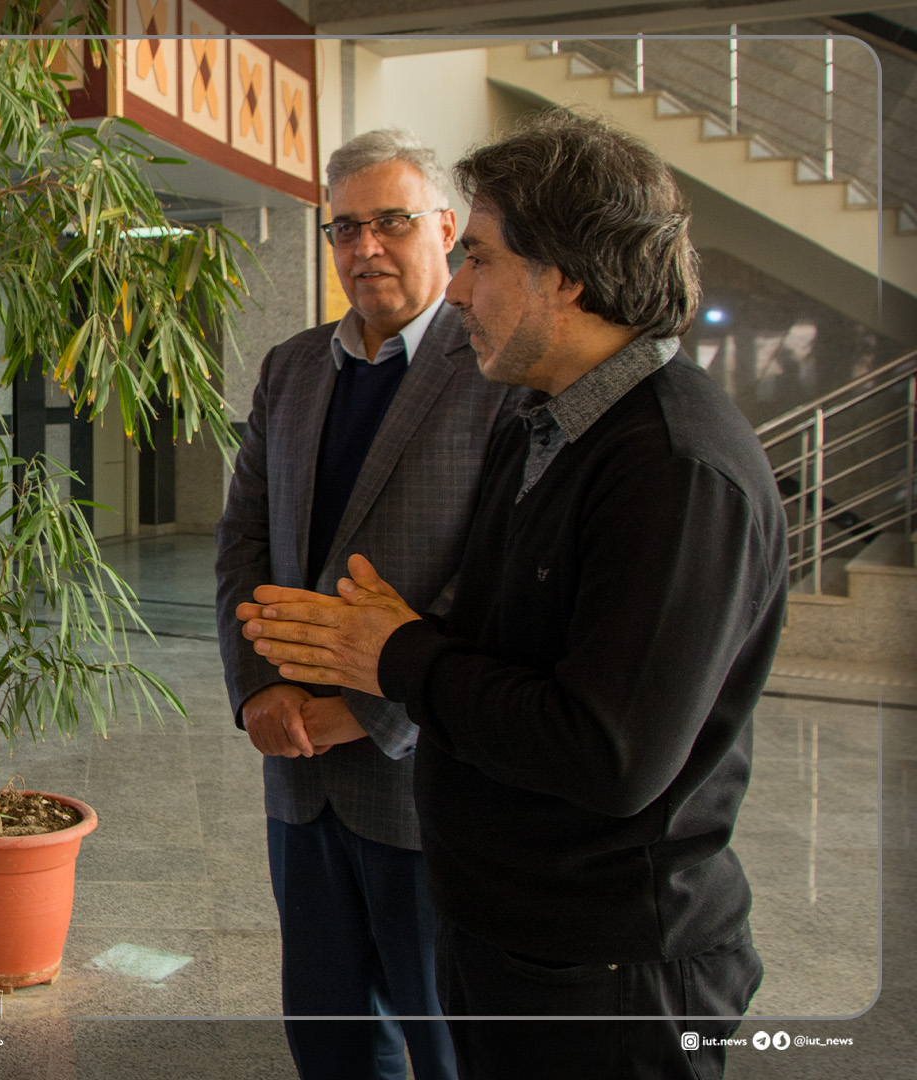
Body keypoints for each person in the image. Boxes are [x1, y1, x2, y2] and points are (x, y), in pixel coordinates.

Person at [238, 109, 784, 1080]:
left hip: (607, 974)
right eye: (345, 227)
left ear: (564, 274)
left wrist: (390, 660)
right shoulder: (549, 421)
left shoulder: (675, 468)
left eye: (479, 257)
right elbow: (491, 637)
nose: (459, 289)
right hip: (514, 932)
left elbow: (608, 752)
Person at [215, 128, 510, 1080]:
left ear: (447, 229)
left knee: (445, 1036)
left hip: (422, 772)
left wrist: (373, 707)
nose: (365, 247)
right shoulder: (292, 366)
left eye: (391, 222)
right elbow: (243, 541)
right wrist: (261, 690)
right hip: (298, 772)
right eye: (345, 228)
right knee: (330, 1031)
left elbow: (498, 572)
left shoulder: (497, 368)